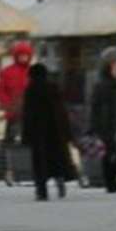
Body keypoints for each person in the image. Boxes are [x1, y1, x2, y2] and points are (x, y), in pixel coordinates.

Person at [22, 63, 74, 201]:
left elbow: (27, 114)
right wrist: (67, 132)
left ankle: (41, 191)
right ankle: (60, 181)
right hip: (55, 131)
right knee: (56, 160)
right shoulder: (53, 88)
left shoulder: (30, 89)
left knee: (39, 163)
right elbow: (61, 111)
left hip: (38, 131)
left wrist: (25, 135)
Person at [0, 40, 33, 186]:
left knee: (29, 142)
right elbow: (1, 91)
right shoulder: (7, 72)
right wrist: (7, 106)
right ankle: (9, 171)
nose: (23, 58)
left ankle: (28, 169)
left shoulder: (32, 71)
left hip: (30, 113)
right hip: (13, 114)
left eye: (26, 55)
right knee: (10, 143)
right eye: (21, 55)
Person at [90, 50, 116, 194]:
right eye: (115, 66)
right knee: (109, 155)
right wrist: (100, 128)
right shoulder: (103, 85)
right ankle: (110, 182)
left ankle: (112, 181)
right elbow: (98, 108)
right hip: (107, 126)